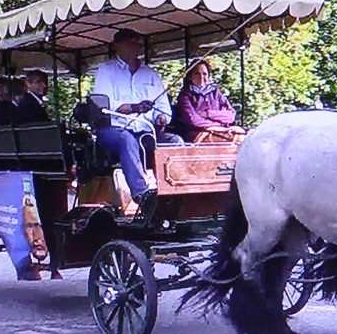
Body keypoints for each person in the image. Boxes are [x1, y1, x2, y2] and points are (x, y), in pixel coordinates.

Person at [91, 28, 182, 204]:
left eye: (138, 43)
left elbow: (164, 109)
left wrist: (161, 118)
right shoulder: (106, 71)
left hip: (146, 131)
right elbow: (105, 105)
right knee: (127, 140)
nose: (136, 47)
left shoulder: (151, 74)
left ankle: (175, 192)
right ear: (118, 46)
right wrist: (135, 108)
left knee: (175, 141)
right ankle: (142, 196)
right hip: (114, 129)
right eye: (131, 43)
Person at [175, 59, 239, 142]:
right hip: (197, 134)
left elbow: (230, 115)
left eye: (204, 74)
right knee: (223, 140)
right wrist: (216, 125)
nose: (201, 77)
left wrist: (208, 113)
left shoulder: (215, 92)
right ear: (191, 76)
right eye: (197, 74)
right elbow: (193, 120)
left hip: (221, 131)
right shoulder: (185, 95)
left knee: (240, 136)